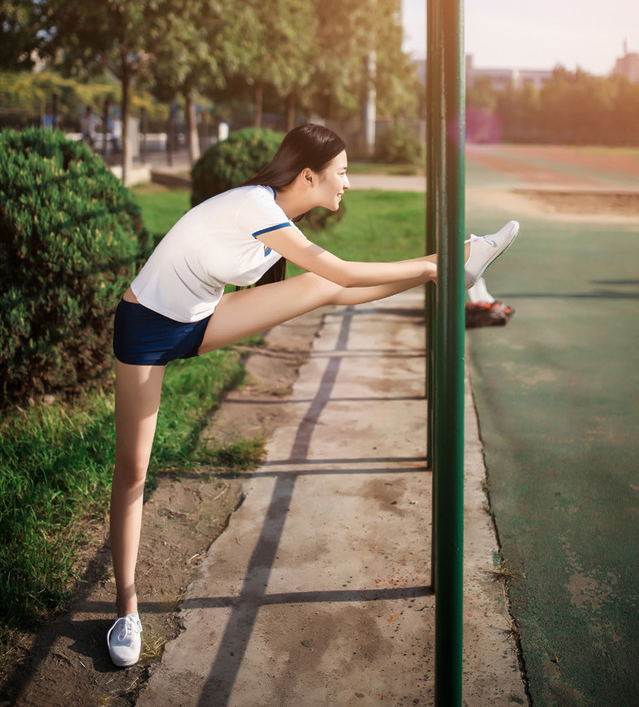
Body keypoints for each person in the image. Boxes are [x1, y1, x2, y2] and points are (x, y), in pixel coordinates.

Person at [107, 123, 519, 667]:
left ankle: (454, 268)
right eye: (341, 172)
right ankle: (126, 606)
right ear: (309, 175)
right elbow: (342, 269)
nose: (347, 182)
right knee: (133, 469)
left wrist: (429, 269)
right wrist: (427, 262)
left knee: (325, 291)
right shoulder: (255, 206)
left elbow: (334, 283)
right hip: (145, 328)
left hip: (202, 318)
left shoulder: (279, 213)